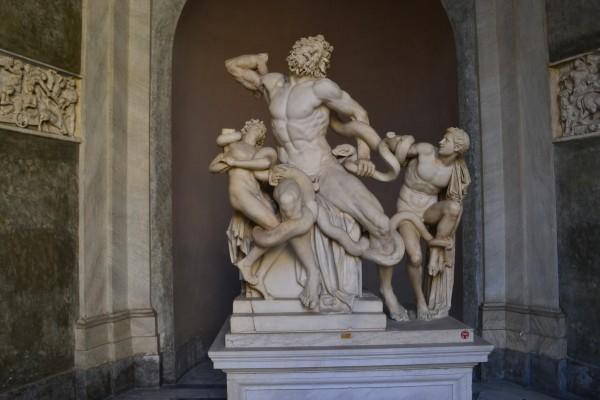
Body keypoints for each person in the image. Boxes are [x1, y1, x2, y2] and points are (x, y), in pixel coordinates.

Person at [225, 35, 406, 313]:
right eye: (302, 49)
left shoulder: (322, 88)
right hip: (291, 171)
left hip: (324, 167)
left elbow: (359, 114)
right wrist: (259, 60)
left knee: (379, 221)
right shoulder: (273, 83)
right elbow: (233, 66)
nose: (305, 55)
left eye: (312, 53)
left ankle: (387, 290)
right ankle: (313, 275)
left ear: (320, 62)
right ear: (293, 51)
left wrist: (364, 154)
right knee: (287, 203)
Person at [387, 127, 471, 320]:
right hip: (407, 209)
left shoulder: (456, 171)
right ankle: (420, 300)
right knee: (415, 258)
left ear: (457, 148)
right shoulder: (425, 150)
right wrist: (396, 139)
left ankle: (436, 249)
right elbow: (397, 150)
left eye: (447, 140)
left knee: (454, 208)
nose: (441, 142)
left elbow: (456, 201)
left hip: (428, 211)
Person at [208, 119, 279, 284]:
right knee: (275, 227)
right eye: (256, 127)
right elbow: (213, 167)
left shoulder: (260, 151)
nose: (259, 131)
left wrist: (237, 164)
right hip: (240, 192)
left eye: (262, 131)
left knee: (279, 228)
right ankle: (247, 264)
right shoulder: (233, 146)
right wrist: (227, 164)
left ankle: (254, 267)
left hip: (257, 193)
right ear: (246, 128)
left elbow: (264, 167)